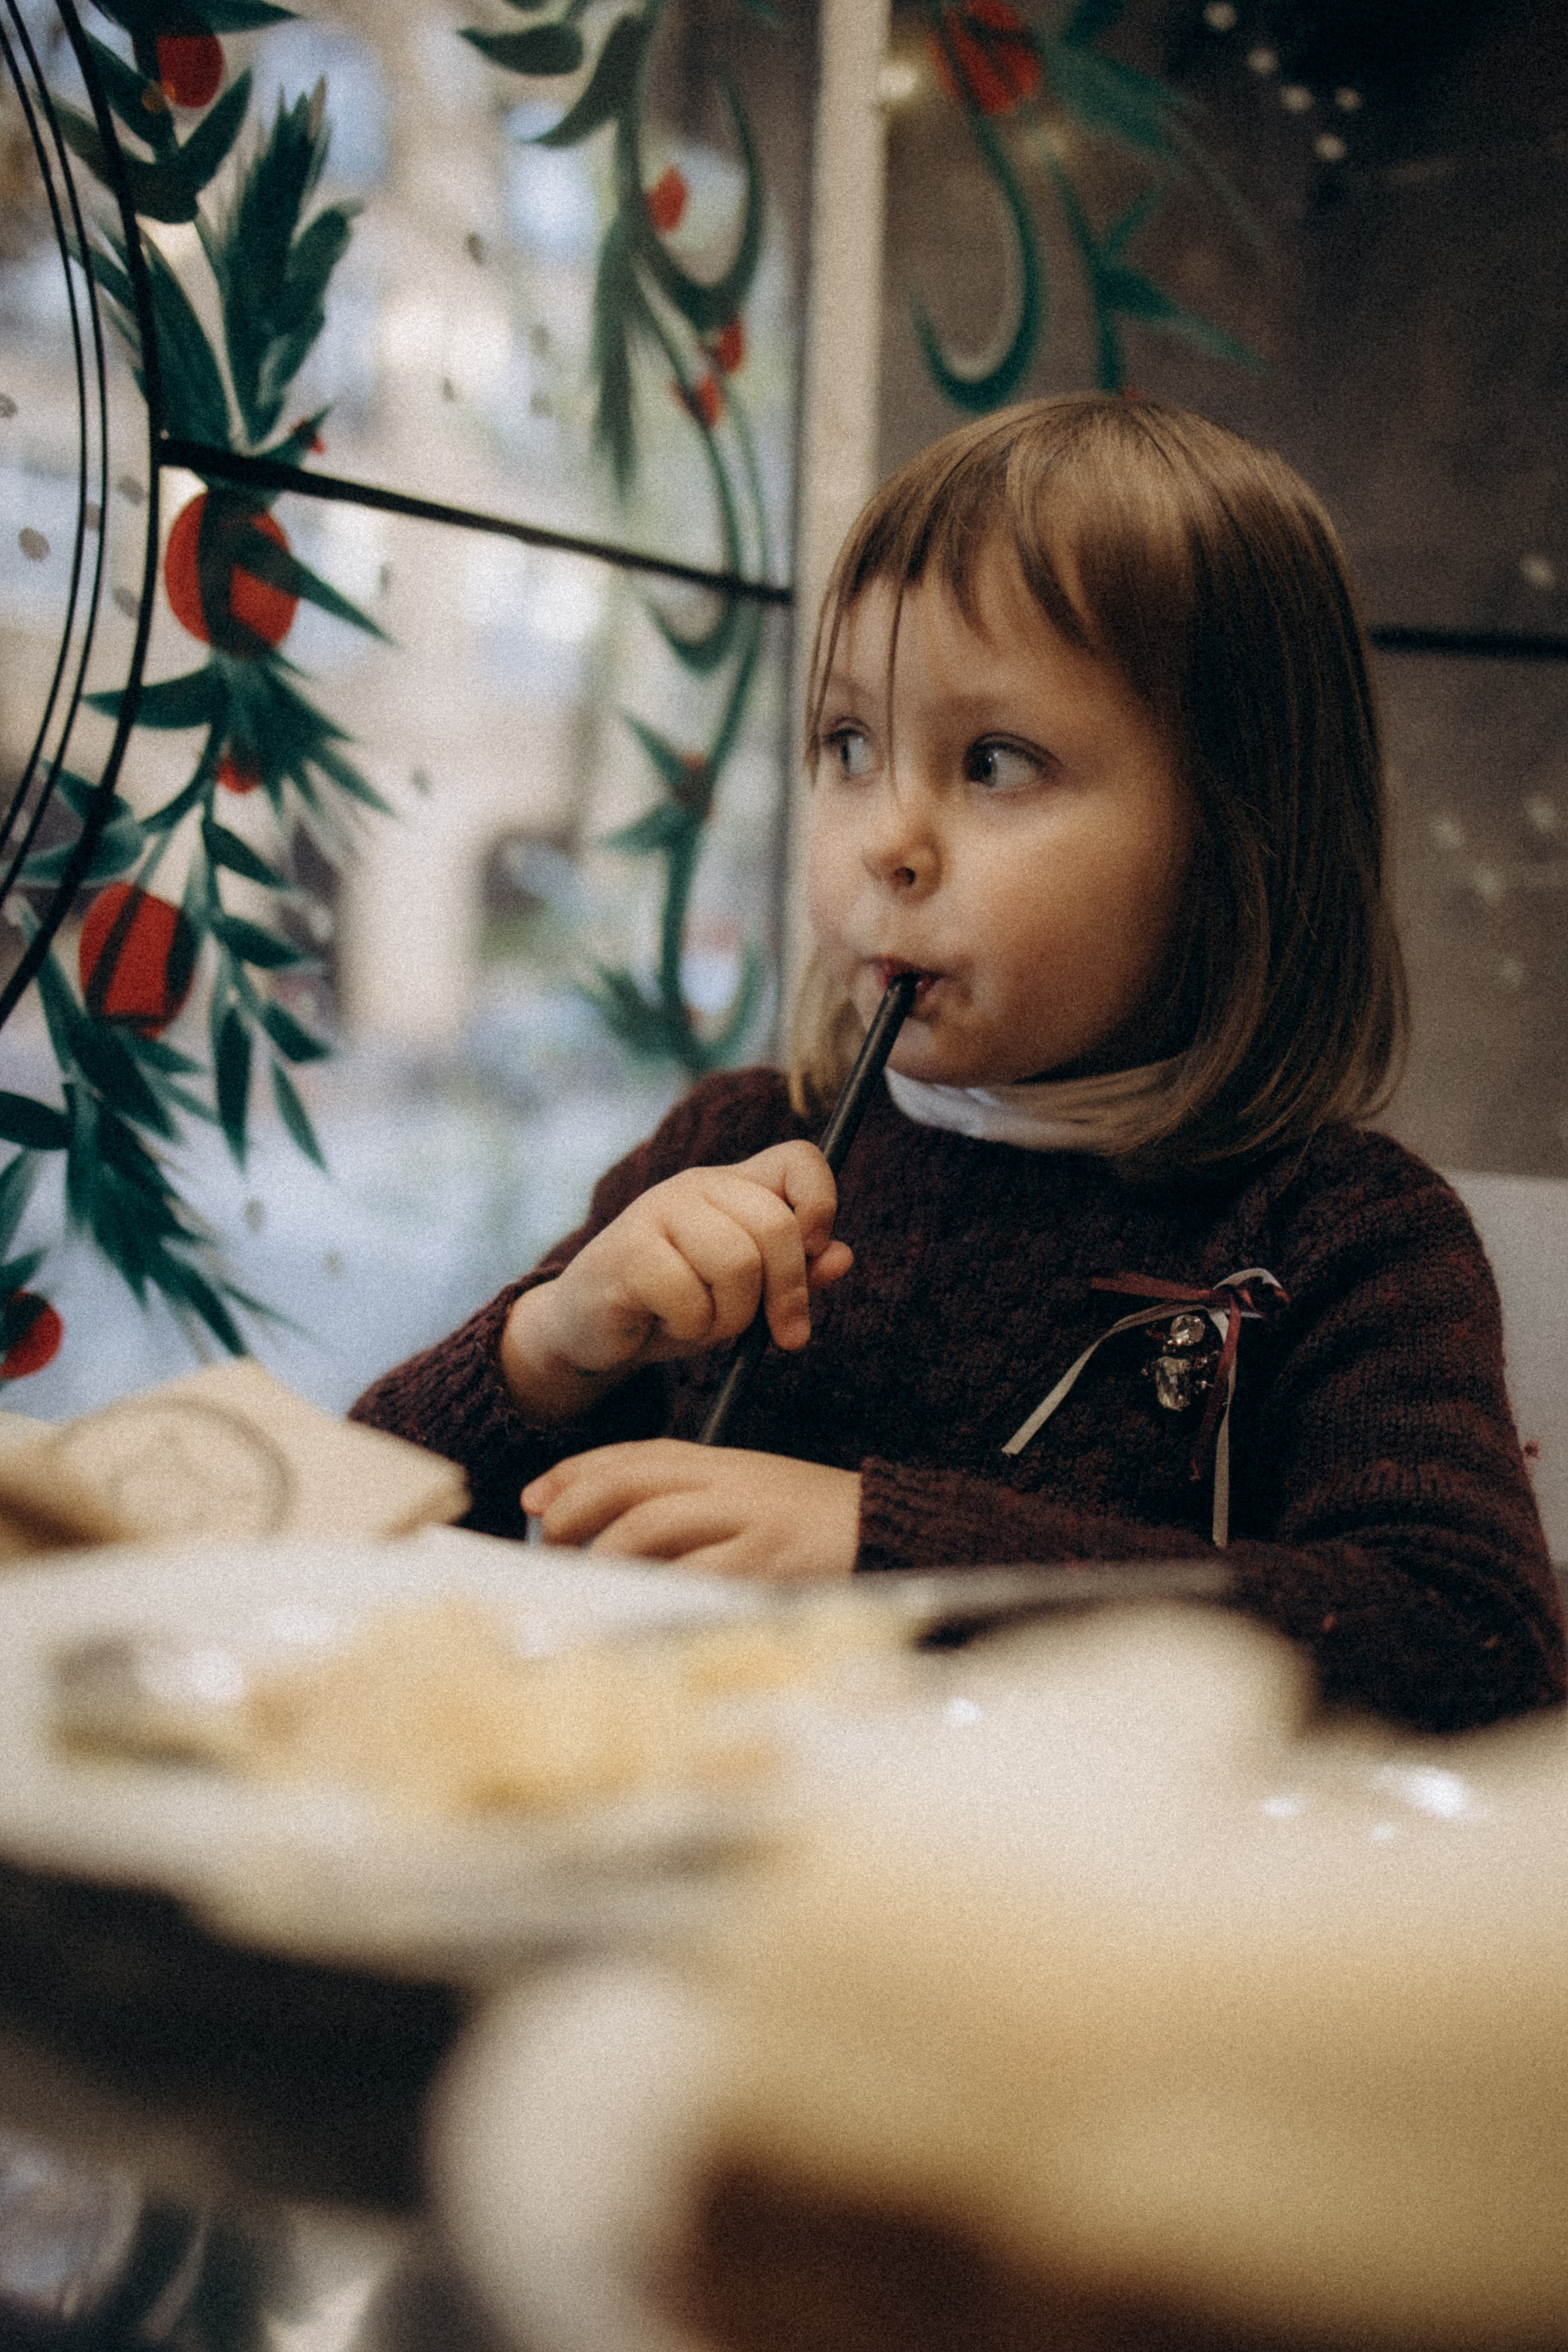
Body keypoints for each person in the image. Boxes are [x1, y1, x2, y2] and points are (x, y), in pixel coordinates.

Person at [351, 394, 1566, 1732]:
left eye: (993, 762)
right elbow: (348, 1521)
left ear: (1238, 838)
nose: (890, 839)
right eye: (849, 746)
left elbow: (1470, 1641)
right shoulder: (735, 1143)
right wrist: (549, 1348)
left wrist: (893, 1554)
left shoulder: (1334, 1237)